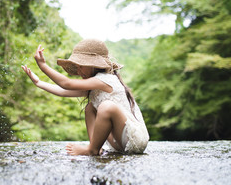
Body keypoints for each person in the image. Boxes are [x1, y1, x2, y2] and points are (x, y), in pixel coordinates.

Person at [21, 39, 149, 155]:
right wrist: (39, 83)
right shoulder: (94, 86)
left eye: (81, 66)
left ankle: (91, 149)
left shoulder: (106, 80)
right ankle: (96, 147)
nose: (78, 71)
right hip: (119, 142)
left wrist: (43, 66)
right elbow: (63, 91)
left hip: (134, 140)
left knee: (106, 106)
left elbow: (67, 84)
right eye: (76, 67)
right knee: (90, 107)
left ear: (94, 65)